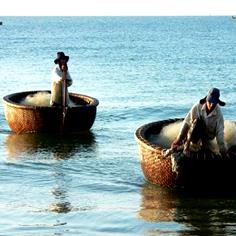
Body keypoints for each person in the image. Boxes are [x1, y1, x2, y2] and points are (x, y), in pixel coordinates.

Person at [171, 88, 228, 157]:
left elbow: (220, 134)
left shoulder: (218, 114)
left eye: (214, 103)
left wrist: (223, 151)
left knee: (207, 149)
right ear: (206, 99)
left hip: (207, 137)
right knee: (197, 122)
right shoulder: (197, 106)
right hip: (194, 134)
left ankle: (202, 146)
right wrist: (179, 138)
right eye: (210, 102)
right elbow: (187, 122)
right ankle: (187, 145)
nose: (211, 105)